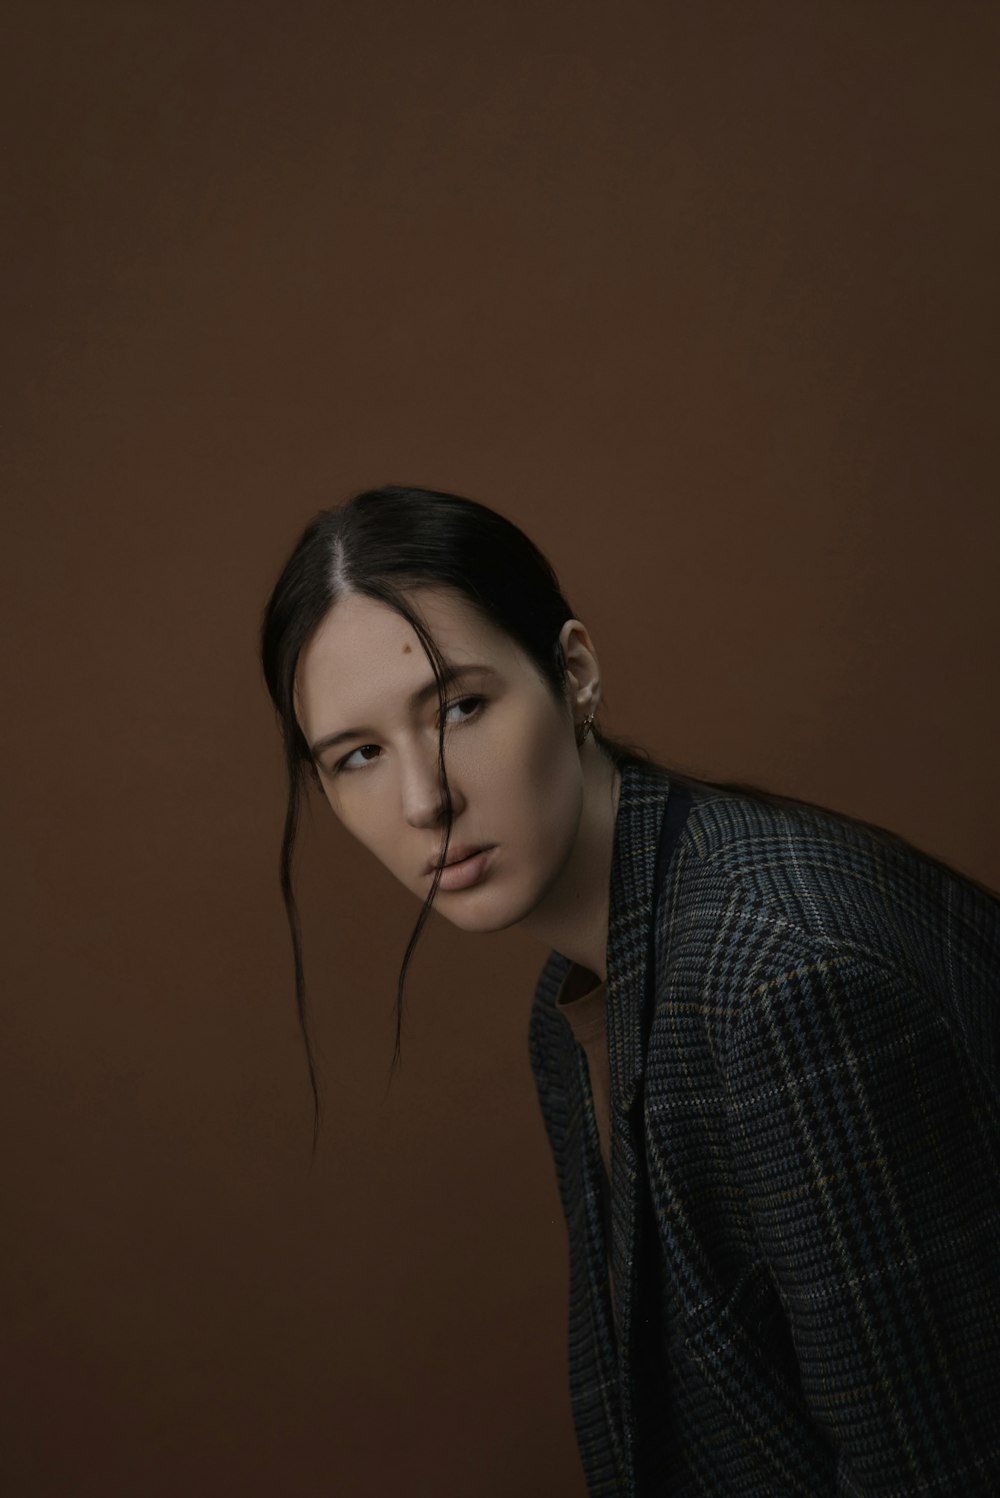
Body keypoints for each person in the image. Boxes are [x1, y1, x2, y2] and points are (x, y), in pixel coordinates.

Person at [259, 484, 1000, 1496]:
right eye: (357, 756)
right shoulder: (585, 994)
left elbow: (935, 1469)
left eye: (462, 707)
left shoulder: (786, 987)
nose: (424, 799)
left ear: (574, 673)